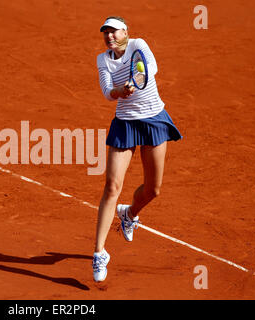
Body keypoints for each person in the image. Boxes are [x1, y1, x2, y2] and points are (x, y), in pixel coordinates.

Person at [92, 16, 182, 282]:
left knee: (153, 189)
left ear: (125, 32)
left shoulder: (138, 45)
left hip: (153, 119)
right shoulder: (103, 59)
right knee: (111, 186)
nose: (109, 36)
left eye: (113, 31)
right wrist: (120, 91)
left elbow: (151, 66)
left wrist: (136, 79)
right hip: (125, 125)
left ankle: (129, 214)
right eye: (105, 33)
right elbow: (107, 91)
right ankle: (99, 253)